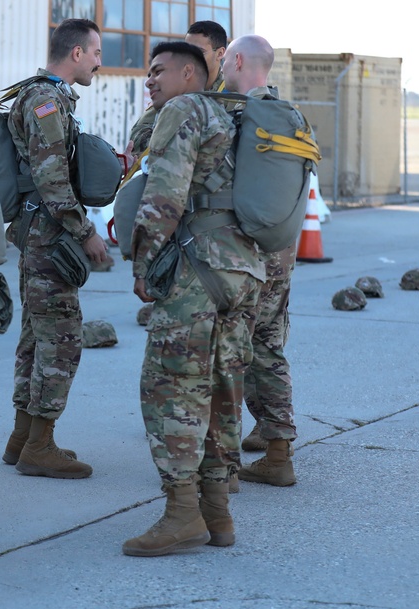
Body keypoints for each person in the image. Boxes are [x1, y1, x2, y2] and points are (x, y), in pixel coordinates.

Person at [122, 42, 264, 557]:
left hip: (196, 270)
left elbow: (164, 193)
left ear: (190, 73)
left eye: (159, 71)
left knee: (170, 387)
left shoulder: (185, 109)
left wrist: (143, 264)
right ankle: (218, 513)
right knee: (225, 385)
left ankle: (182, 512)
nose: (151, 81)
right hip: (243, 269)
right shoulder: (240, 115)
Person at [2, 18, 107, 480]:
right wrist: (85, 232)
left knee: (36, 337)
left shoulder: (40, 94)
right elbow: (51, 179)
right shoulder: (46, 100)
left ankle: (23, 438)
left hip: (38, 234)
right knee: (61, 341)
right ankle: (39, 445)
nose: (100, 62)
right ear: (77, 53)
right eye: (97, 53)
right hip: (50, 237)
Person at [219, 34, 298, 487]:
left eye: (226, 60)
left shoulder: (233, 115)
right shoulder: (287, 115)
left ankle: (221, 464)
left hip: (241, 252)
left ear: (239, 60)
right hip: (281, 251)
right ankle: (278, 450)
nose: (223, 68)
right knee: (269, 347)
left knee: (230, 352)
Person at [127, 21, 228, 165]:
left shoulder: (230, 97)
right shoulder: (174, 88)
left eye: (199, 52)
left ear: (220, 53)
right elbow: (136, 137)